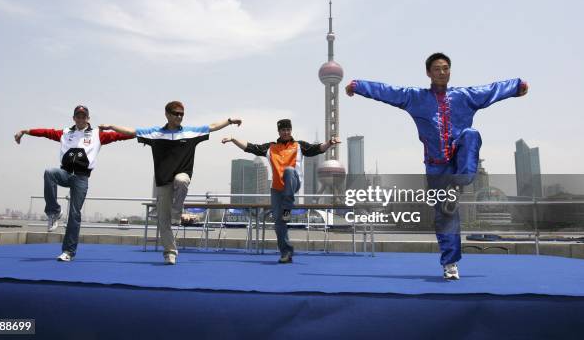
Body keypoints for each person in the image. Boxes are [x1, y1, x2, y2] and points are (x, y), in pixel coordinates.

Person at [345, 53, 528, 279]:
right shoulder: (415, 98)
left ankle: (458, 183)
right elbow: (388, 91)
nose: (442, 72)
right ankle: (450, 264)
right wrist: (358, 86)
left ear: (450, 71)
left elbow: (491, 89)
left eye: (446, 68)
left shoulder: (465, 96)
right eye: (437, 69)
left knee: (471, 134)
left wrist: (517, 86)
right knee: (445, 215)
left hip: (461, 159)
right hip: (435, 166)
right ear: (428, 73)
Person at [100, 101, 242, 265]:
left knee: (181, 180)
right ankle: (170, 252)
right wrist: (111, 126)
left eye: (182, 114)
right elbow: (131, 131)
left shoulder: (190, 133)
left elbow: (212, 126)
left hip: (183, 174)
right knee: (163, 221)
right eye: (176, 113)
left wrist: (230, 121)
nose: (179, 116)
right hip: (163, 180)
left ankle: (177, 211)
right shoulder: (155, 133)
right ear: (167, 114)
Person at [14, 105, 134, 261]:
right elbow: (45, 133)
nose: (81, 119)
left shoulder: (98, 134)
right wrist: (25, 131)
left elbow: (123, 136)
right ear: (74, 118)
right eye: (78, 116)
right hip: (64, 173)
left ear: (88, 119)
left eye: (84, 116)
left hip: (81, 178)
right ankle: (54, 212)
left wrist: (137, 134)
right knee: (49, 172)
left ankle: (68, 252)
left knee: (74, 214)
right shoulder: (65, 133)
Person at [222, 119, 340, 264]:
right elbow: (250, 147)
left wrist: (330, 142)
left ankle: (287, 207)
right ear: (279, 132)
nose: (286, 132)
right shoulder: (270, 148)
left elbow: (317, 149)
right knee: (279, 223)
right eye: (283, 130)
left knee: (289, 170)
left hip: (293, 183)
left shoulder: (299, 146)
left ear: (291, 130)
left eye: (288, 129)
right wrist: (233, 139)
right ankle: (286, 253)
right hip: (277, 189)